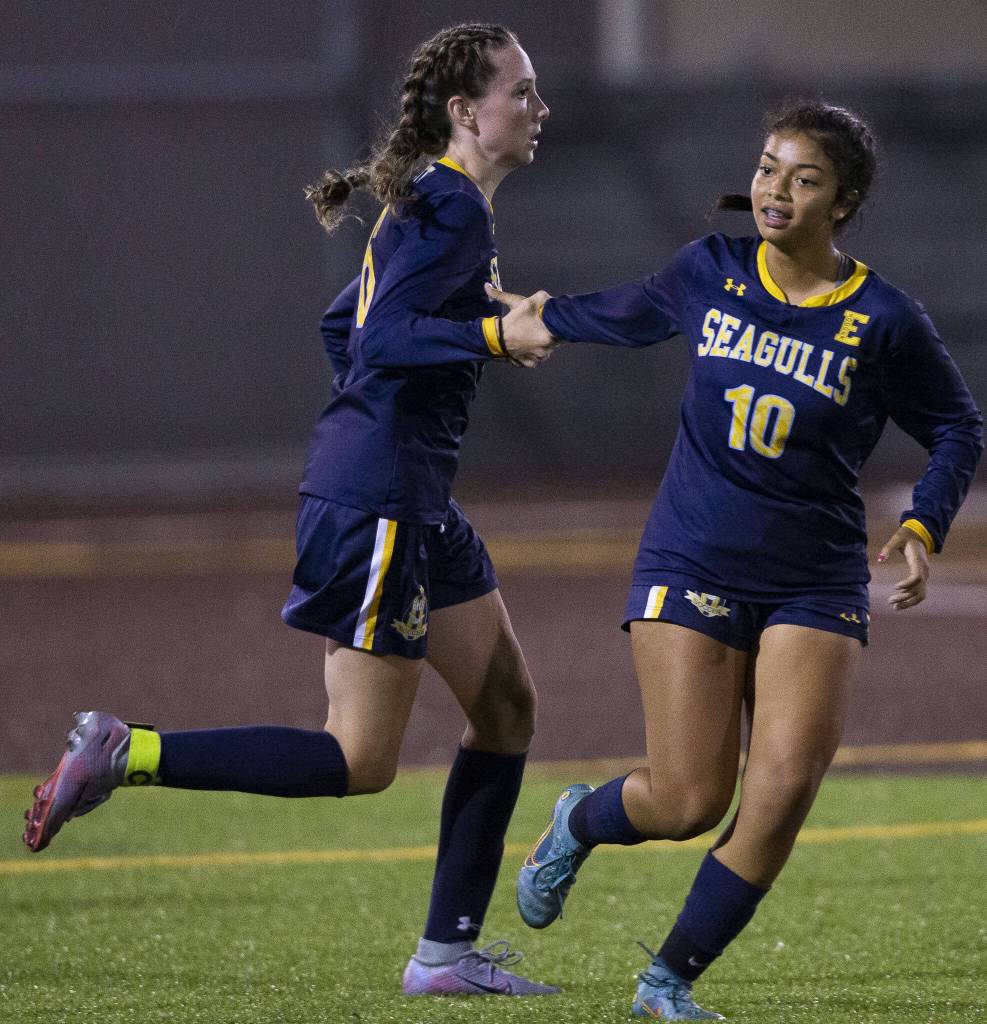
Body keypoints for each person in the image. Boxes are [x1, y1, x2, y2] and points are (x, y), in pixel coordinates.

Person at [23, 22, 558, 998]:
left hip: (407, 498)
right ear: (464, 113)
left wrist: (377, 421)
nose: (538, 107)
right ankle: (125, 751)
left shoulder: (432, 201)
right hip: (385, 502)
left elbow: (341, 326)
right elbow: (390, 336)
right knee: (359, 759)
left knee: (508, 707)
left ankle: (446, 956)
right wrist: (494, 332)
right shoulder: (454, 210)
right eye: (520, 91)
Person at [487, 99, 983, 1020]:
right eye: (766, 168)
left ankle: (667, 981)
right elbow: (627, 314)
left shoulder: (882, 317)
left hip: (815, 575)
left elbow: (957, 425)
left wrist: (921, 528)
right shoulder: (708, 269)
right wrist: (541, 315)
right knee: (684, 800)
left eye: (803, 179)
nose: (774, 191)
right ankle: (578, 820)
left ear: (844, 201)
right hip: (695, 558)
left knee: (785, 785)